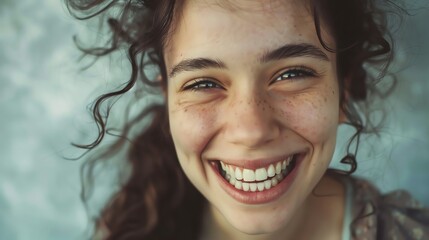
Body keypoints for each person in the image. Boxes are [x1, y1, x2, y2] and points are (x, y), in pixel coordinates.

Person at [66, 0, 429, 239]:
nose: (251, 130)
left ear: (343, 91)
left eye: (292, 75)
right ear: (168, 99)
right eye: (204, 83)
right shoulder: (129, 227)